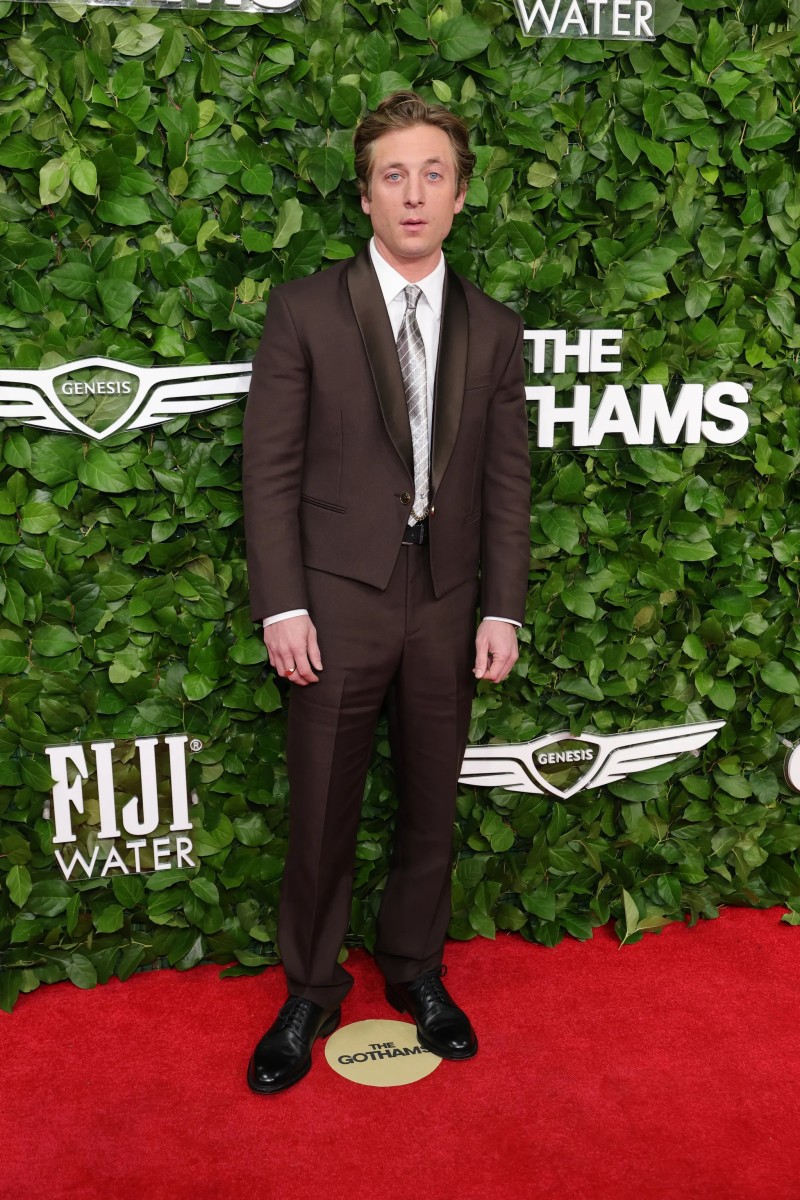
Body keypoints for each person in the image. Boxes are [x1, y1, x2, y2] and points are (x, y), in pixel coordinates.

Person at [242, 90, 530, 1094]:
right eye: (393, 175)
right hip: (333, 599)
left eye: (432, 174)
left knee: (430, 802)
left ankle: (414, 968)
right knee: (322, 804)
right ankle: (311, 989)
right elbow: (269, 471)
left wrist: (501, 606)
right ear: (364, 197)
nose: (413, 194)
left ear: (460, 195)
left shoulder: (495, 329)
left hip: (446, 599)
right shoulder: (304, 310)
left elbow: (506, 481)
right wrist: (282, 604)